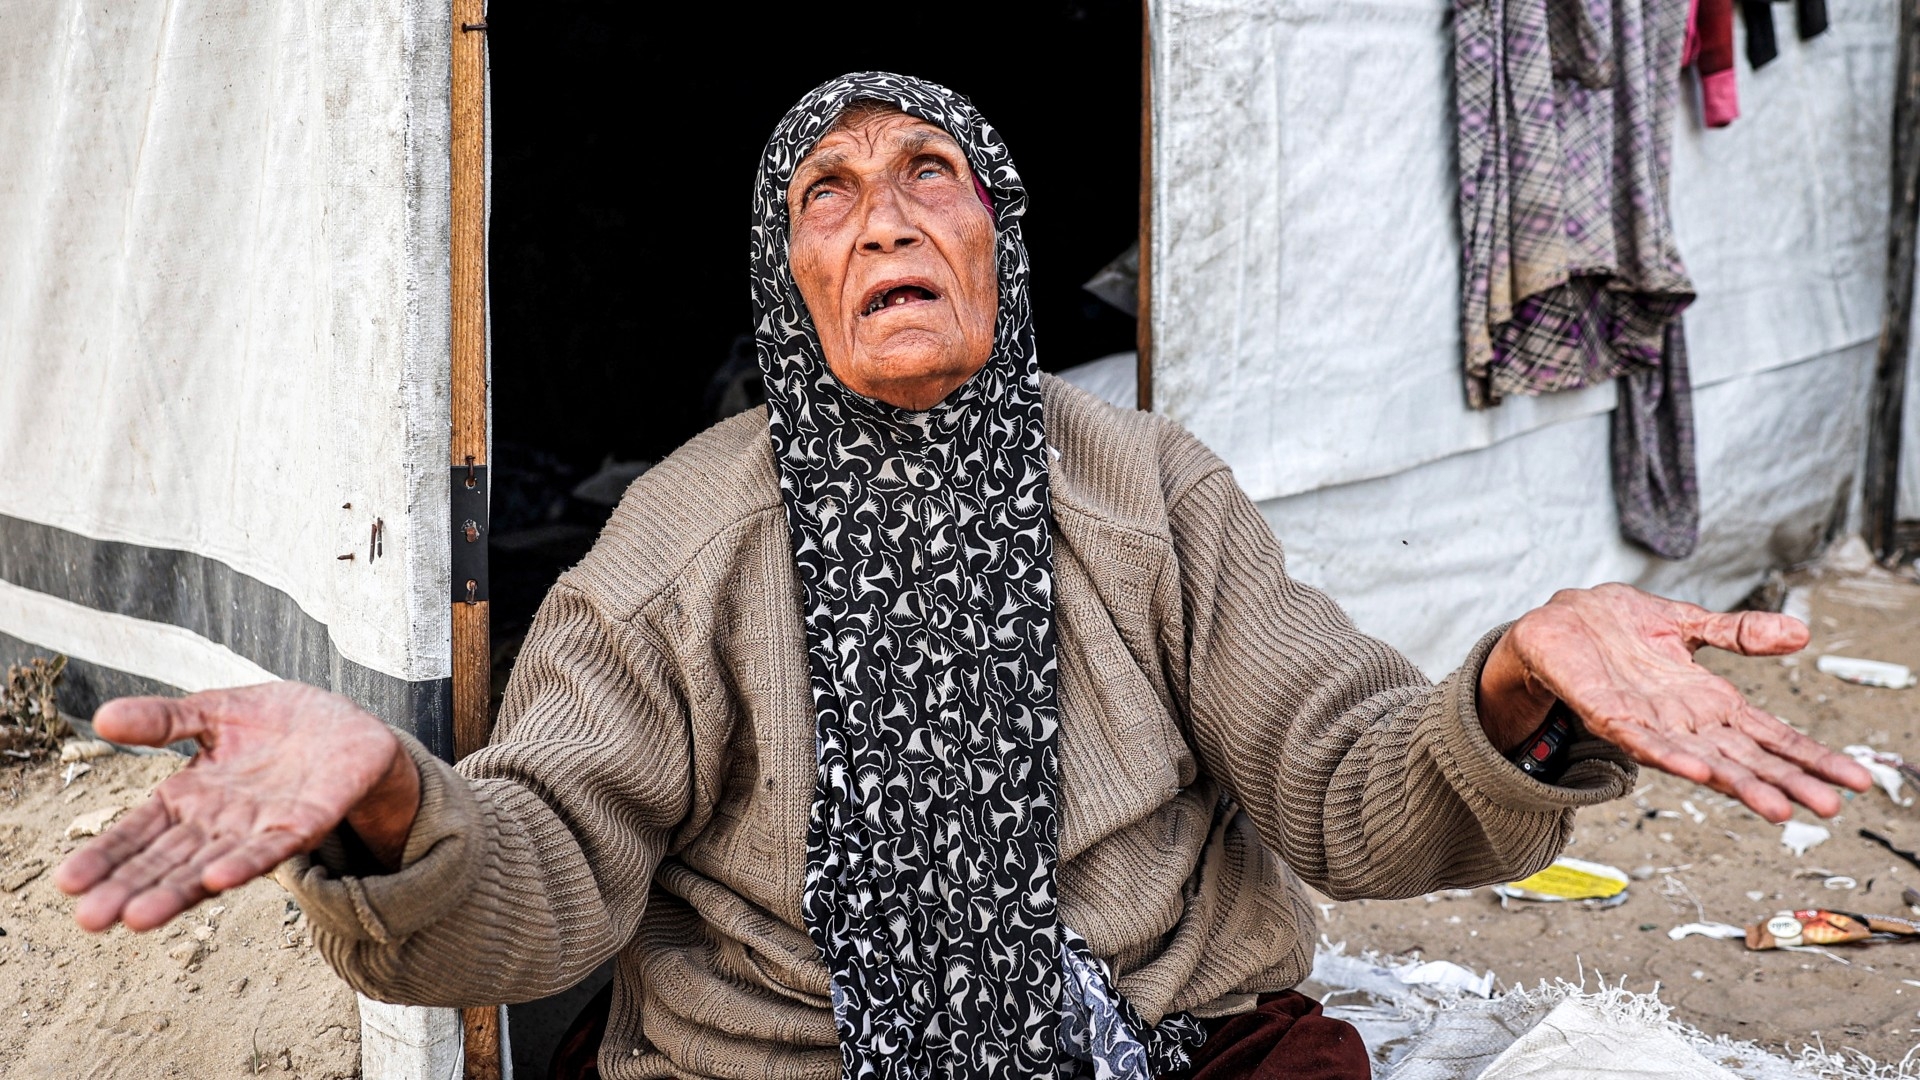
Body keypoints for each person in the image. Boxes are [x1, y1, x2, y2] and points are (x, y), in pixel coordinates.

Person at [55, 73, 1870, 1080]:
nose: (890, 217)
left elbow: (1341, 783)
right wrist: (394, 812)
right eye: (829, 196)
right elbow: (544, 881)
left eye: (933, 174)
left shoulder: (1146, 486)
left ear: (1000, 230)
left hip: (1160, 1054)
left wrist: (1509, 683)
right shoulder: (678, 543)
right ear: (791, 280)